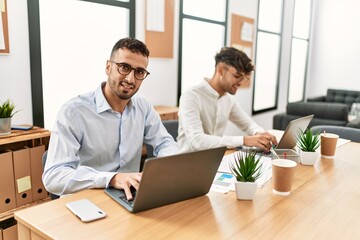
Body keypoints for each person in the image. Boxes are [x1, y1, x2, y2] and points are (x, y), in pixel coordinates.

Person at [43, 37, 179, 200]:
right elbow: (54, 176)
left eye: (139, 72)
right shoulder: (73, 112)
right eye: (124, 67)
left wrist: (161, 170)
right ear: (108, 67)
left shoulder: (143, 106)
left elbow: (165, 143)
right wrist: (112, 178)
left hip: (129, 196)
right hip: (87, 199)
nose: (130, 79)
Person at [177, 47, 277, 153]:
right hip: (188, 162)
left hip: (216, 159)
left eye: (243, 78)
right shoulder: (191, 96)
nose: (241, 82)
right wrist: (244, 140)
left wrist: (260, 134)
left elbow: (248, 125)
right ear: (220, 70)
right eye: (237, 76)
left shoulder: (228, 100)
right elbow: (197, 141)